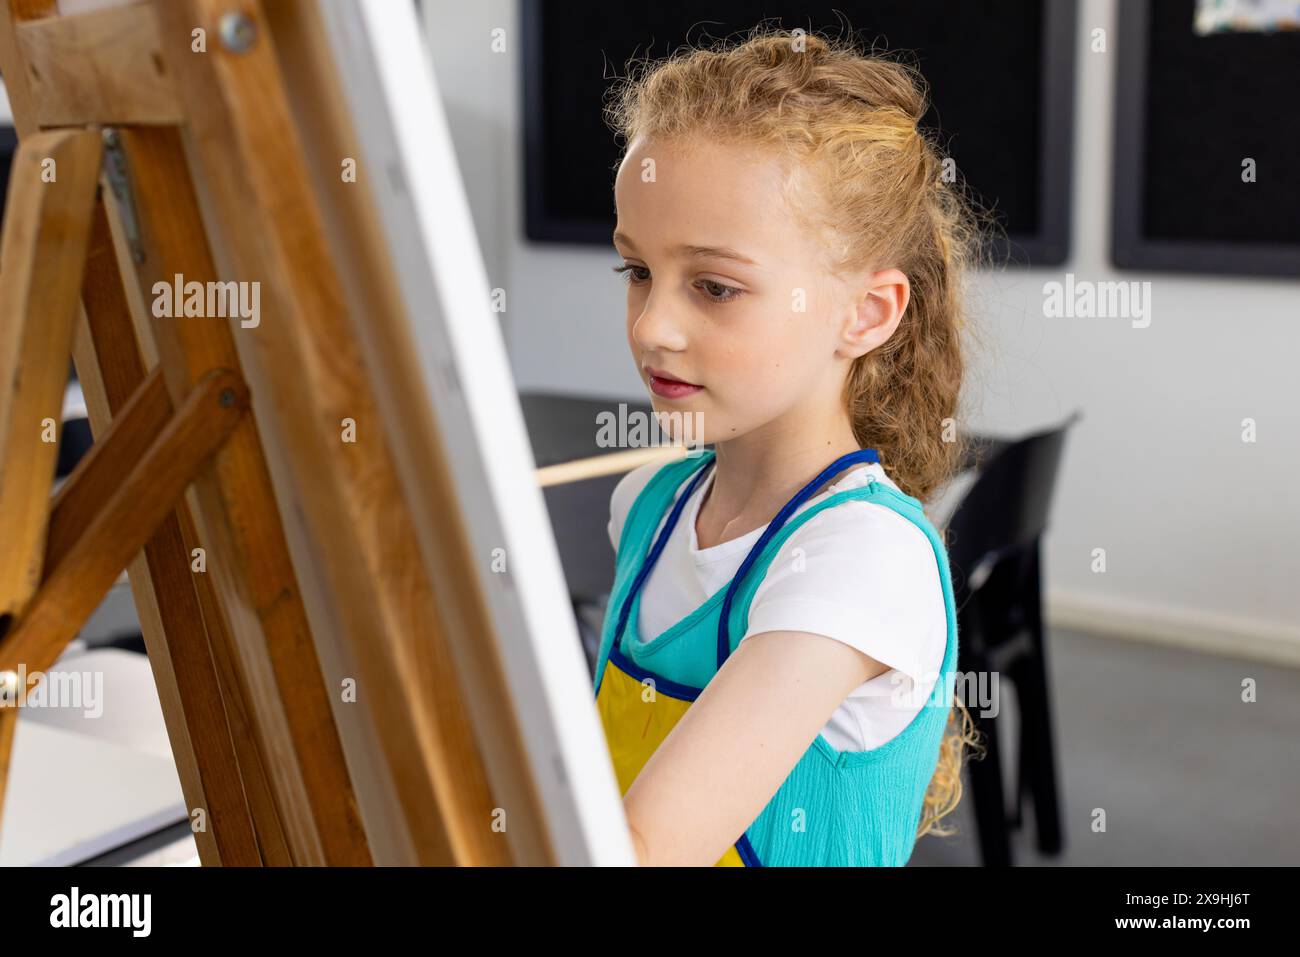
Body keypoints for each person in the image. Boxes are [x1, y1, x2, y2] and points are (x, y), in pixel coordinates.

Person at [593, 25, 989, 866]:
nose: (653, 326)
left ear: (867, 314)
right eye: (637, 271)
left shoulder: (861, 557)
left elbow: (633, 849)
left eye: (715, 286)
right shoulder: (649, 503)